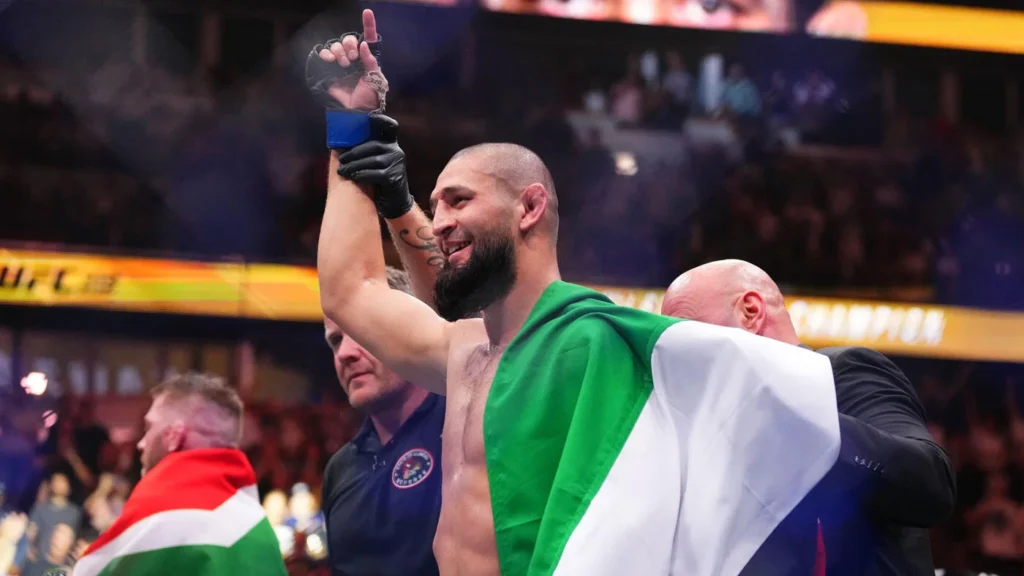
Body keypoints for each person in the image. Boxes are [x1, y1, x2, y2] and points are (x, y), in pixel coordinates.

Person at [310, 11, 841, 576]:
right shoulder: (465, 355)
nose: (439, 220)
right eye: (435, 203)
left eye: (459, 201)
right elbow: (351, 293)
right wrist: (350, 127)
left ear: (530, 208)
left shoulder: (589, 348)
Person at [661, 259, 957, 576]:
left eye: (687, 334)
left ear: (750, 311)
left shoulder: (841, 372)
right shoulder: (709, 433)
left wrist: (797, 419)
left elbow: (931, 484)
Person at [73, 373, 287, 576]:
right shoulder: (255, 519)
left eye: (149, 427)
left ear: (174, 436)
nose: (141, 443)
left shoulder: (165, 505)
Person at [321, 266, 444, 576]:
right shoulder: (340, 468)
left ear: (411, 331)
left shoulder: (466, 429)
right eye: (336, 341)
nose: (345, 354)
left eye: (362, 333)